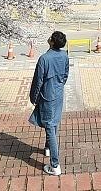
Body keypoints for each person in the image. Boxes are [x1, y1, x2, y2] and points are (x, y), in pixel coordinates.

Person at [29, 31, 69, 176]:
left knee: (50, 127)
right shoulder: (64, 55)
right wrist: (59, 85)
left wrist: (33, 97)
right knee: (53, 123)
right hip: (58, 94)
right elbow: (65, 75)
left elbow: (38, 81)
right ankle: (47, 148)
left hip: (47, 95)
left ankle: (55, 165)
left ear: (52, 41)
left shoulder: (44, 59)